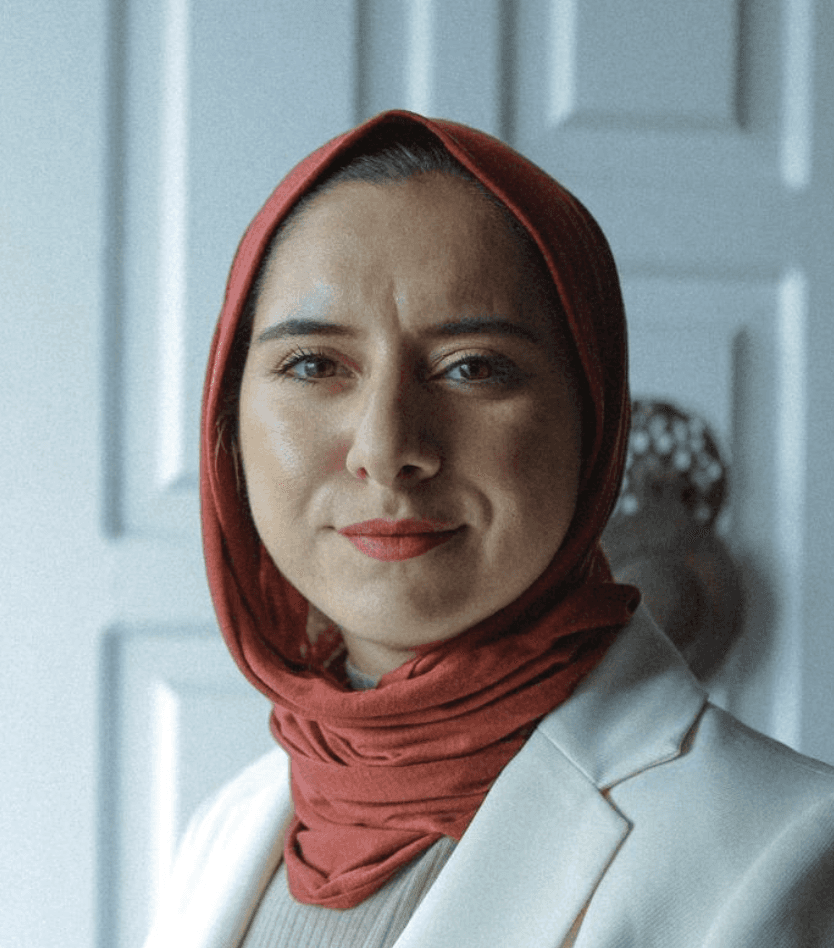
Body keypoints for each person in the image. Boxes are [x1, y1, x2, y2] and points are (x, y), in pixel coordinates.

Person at [143, 111, 834, 948]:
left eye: (472, 367)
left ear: (593, 420)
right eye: (315, 364)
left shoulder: (790, 849)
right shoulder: (223, 830)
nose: (386, 449)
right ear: (228, 421)